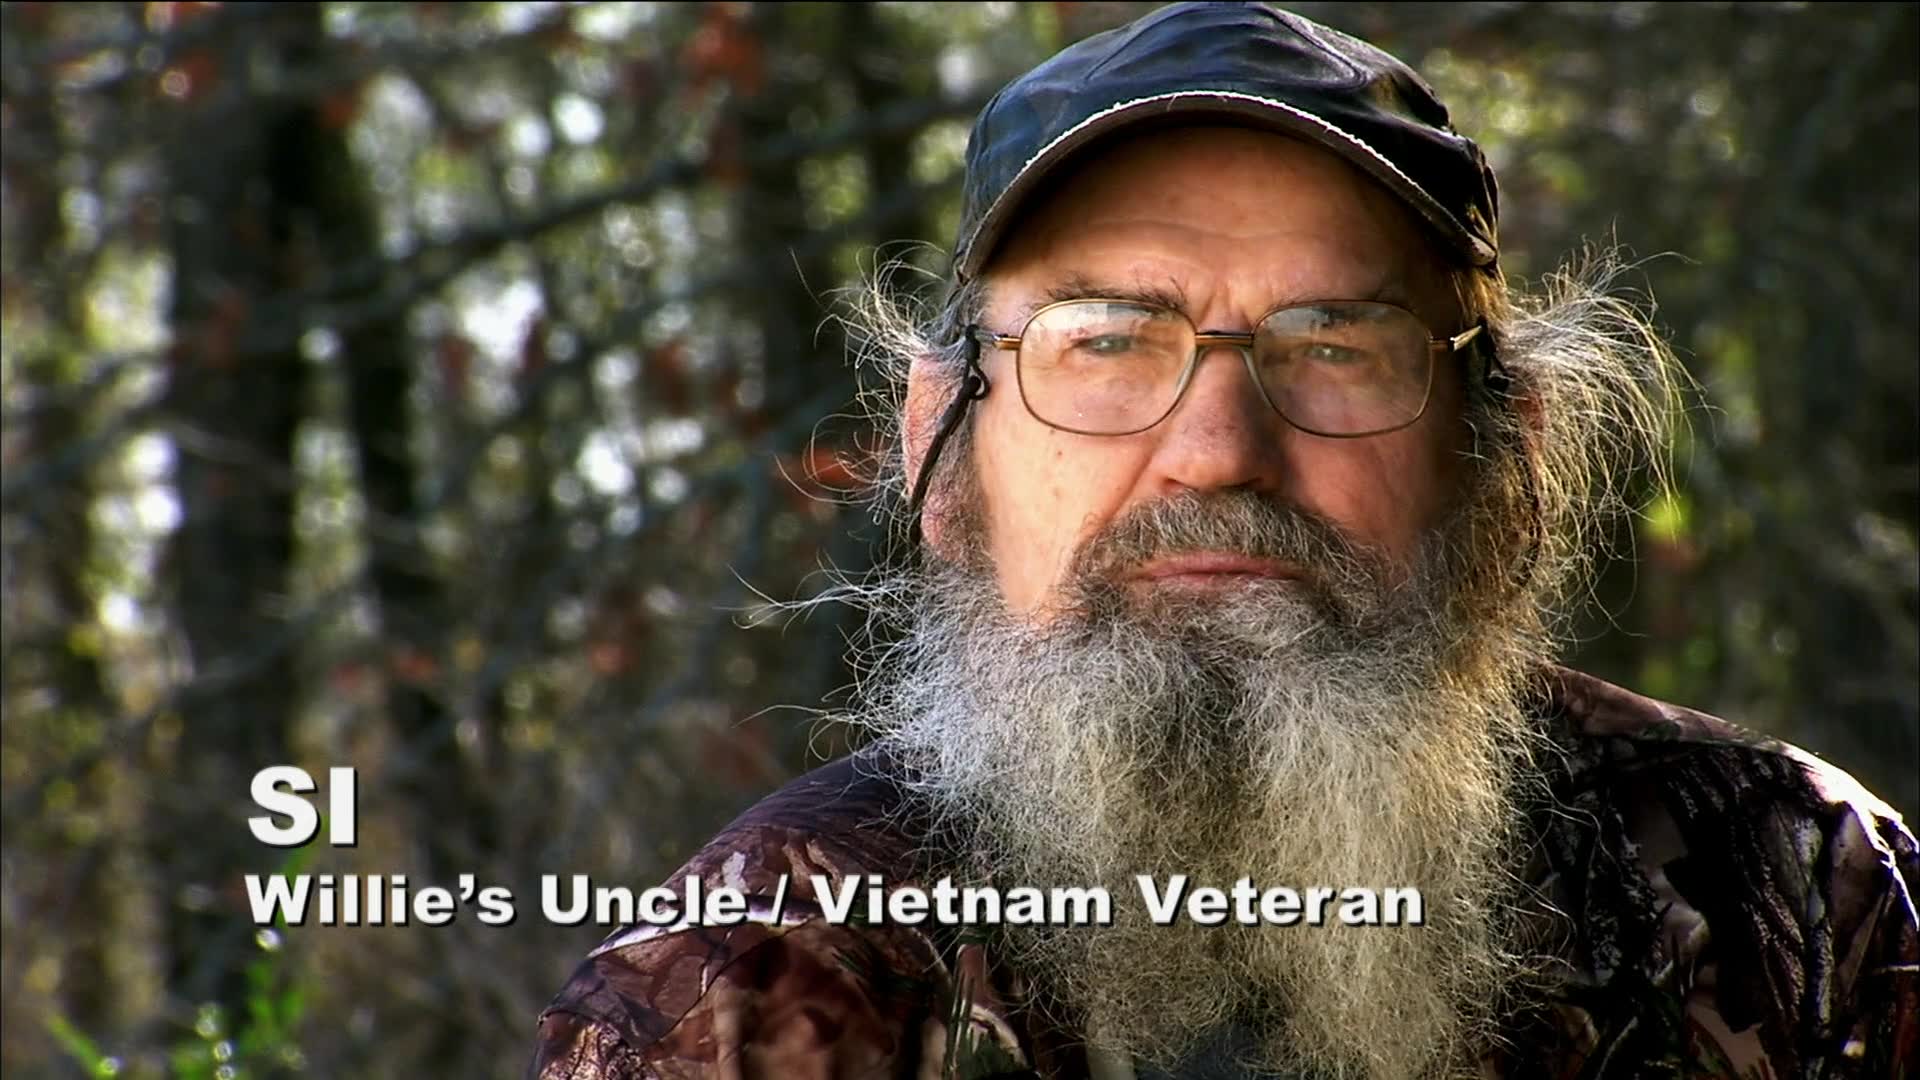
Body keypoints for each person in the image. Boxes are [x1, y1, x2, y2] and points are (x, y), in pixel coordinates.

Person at [527, 4, 1918, 1077]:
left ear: (1508, 460)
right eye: (1105, 343)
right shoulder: (754, 976)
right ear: (943, 451)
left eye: (1337, 347)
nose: (1216, 450)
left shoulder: (1798, 896)